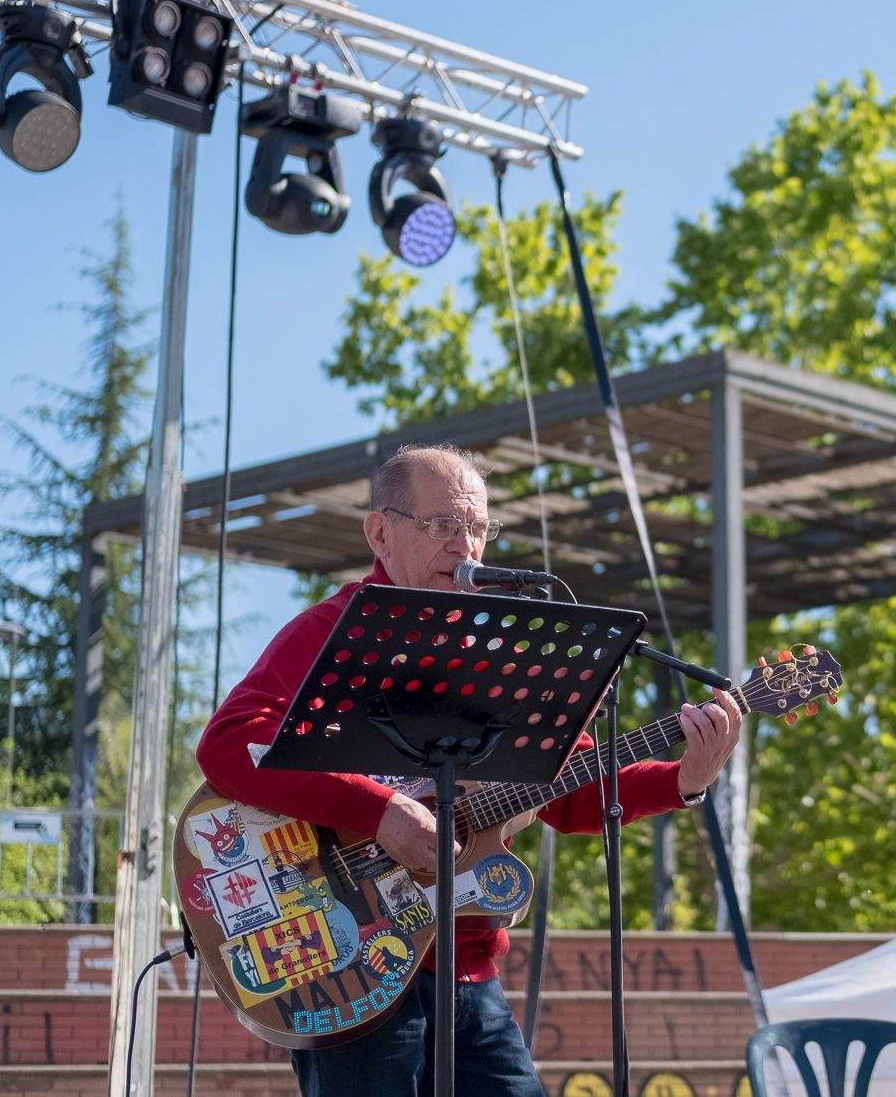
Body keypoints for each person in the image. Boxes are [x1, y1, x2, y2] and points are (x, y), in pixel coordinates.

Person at [196, 443, 742, 1097]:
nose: (465, 545)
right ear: (380, 530)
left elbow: (562, 792)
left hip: (467, 972)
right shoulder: (332, 628)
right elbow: (229, 746)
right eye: (442, 524)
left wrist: (686, 778)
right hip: (350, 959)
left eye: (477, 527)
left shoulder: (501, 650)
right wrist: (379, 812)